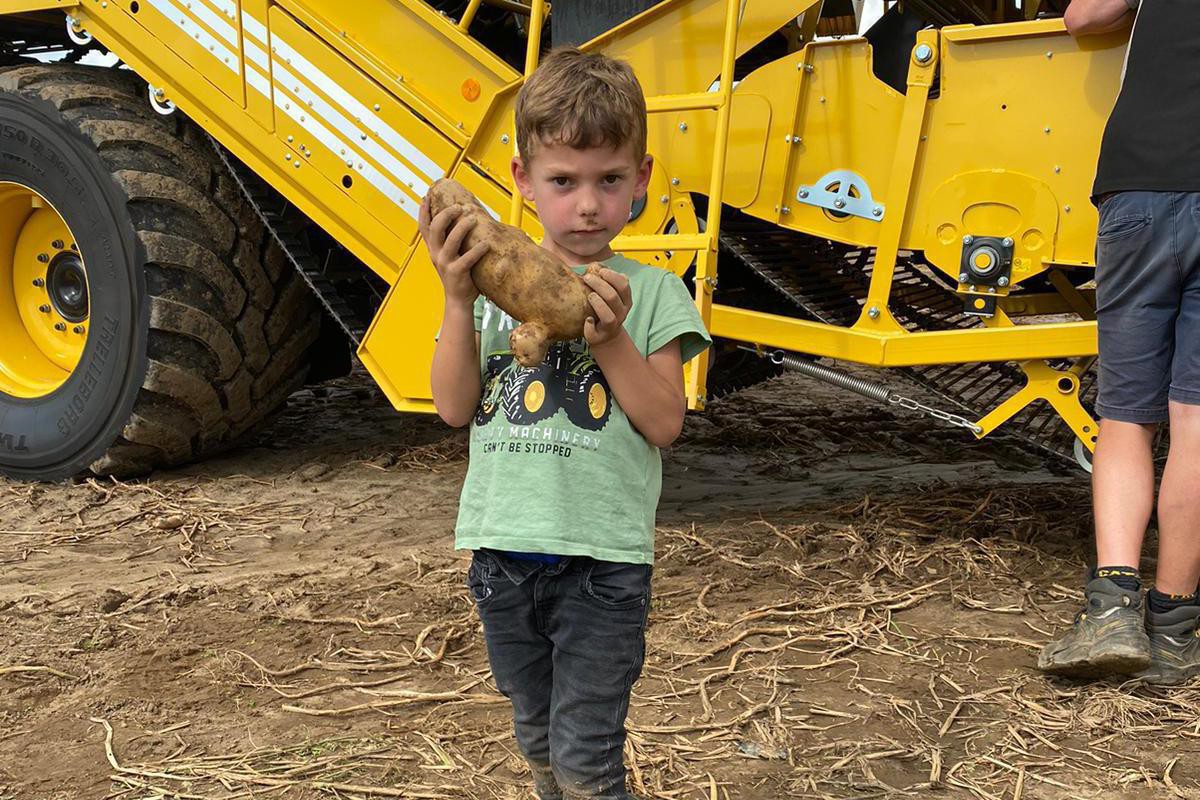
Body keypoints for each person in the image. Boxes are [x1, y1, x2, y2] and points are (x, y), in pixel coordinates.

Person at [419, 47, 711, 799]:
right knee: (539, 736)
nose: (587, 205)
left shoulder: (652, 295)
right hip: (501, 562)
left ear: (642, 176)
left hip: (603, 570)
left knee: (587, 755)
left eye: (610, 181)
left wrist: (607, 337)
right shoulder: (491, 289)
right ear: (522, 181)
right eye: (564, 182)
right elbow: (452, 407)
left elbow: (665, 422)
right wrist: (456, 299)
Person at [1038, 0, 1200, 684]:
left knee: (1127, 415)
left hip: (1143, 177)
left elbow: (1083, 16)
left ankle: (1111, 608)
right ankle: (1174, 624)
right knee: (1197, 423)